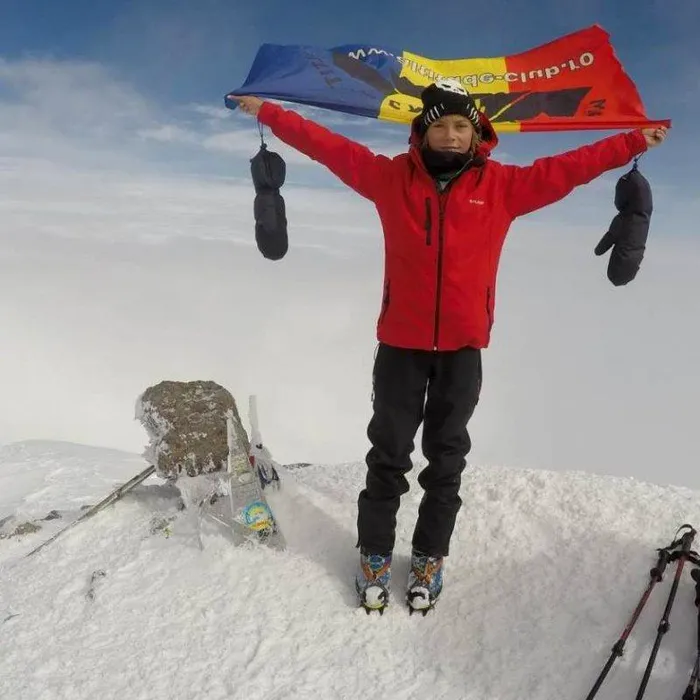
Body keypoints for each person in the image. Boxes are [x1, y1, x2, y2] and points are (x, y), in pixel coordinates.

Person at [232, 80, 667, 615]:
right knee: (388, 457)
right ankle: (374, 553)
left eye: (461, 125)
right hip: (400, 348)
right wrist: (270, 112)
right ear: (423, 130)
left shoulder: (503, 187)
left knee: (446, 462)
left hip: (462, 351)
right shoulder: (390, 179)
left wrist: (632, 142)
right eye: (440, 125)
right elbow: (329, 146)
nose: (451, 134)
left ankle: (428, 557)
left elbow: (570, 167)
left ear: (477, 132)